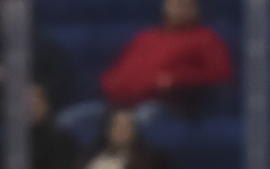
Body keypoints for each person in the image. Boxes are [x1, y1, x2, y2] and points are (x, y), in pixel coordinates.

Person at [100, 0, 235, 115]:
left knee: (143, 115)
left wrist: (177, 79)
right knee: (84, 117)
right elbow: (118, 73)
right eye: (172, 2)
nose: (177, 7)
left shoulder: (206, 38)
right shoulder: (146, 37)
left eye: (183, 3)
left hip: (168, 108)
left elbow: (221, 74)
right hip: (121, 104)